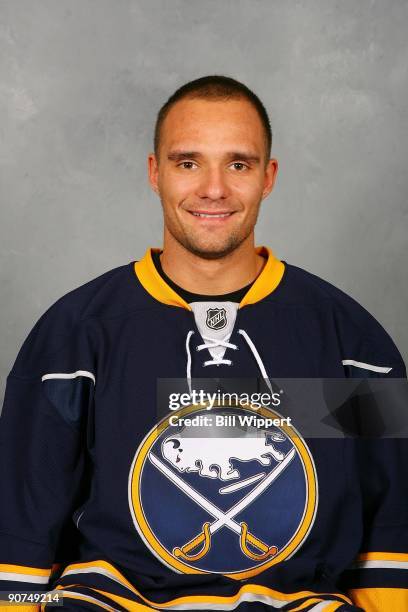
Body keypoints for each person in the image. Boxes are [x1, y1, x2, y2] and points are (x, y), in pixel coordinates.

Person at [0, 75, 407, 612]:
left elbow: (391, 529)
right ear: (155, 173)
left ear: (268, 176)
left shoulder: (353, 342)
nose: (213, 188)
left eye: (238, 164)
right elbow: (23, 531)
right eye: (188, 162)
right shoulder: (74, 336)